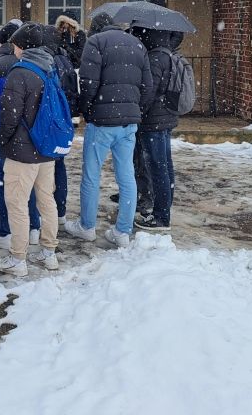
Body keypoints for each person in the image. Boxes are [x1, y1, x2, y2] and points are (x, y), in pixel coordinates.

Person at [64, 13, 153, 248]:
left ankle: (87, 226)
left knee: (91, 175)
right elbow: (148, 86)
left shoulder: (96, 42)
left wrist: (87, 110)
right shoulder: (137, 44)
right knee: (127, 176)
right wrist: (136, 109)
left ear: (95, 29)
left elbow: (88, 82)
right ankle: (122, 231)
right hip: (128, 123)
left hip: (101, 122)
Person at [0, 23, 60, 277]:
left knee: (17, 203)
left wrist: (4, 140)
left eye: (15, 45)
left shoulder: (19, 72)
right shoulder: (49, 68)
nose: (13, 49)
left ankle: (18, 258)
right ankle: (49, 252)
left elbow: (10, 115)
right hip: (46, 147)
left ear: (22, 46)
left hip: (23, 151)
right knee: (46, 199)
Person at [0, 19, 42, 249]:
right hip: (31, 134)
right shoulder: (38, 66)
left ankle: (5, 231)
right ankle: (33, 227)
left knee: (5, 183)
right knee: (28, 182)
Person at [131, 26, 179, 231]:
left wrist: (138, 112)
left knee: (158, 168)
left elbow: (149, 91)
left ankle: (161, 217)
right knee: (165, 166)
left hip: (154, 121)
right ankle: (164, 208)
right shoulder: (168, 54)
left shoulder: (155, 58)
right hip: (165, 117)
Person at [41, 25, 79, 225]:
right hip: (63, 120)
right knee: (59, 165)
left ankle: (46, 212)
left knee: (44, 169)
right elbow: (73, 90)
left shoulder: (46, 62)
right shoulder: (65, 58)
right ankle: (60, 210)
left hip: (49, 121)